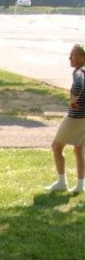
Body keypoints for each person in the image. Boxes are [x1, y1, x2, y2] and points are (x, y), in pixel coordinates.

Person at [47, 43, 85, 194]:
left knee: (56, 147)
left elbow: (79, 84)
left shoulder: (79, 72)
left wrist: (74, 99)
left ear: (83, 57)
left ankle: (62, 182)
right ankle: (80, 185)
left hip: (76, 117)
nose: (70, 58)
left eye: (73, 55)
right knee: (79, 149)